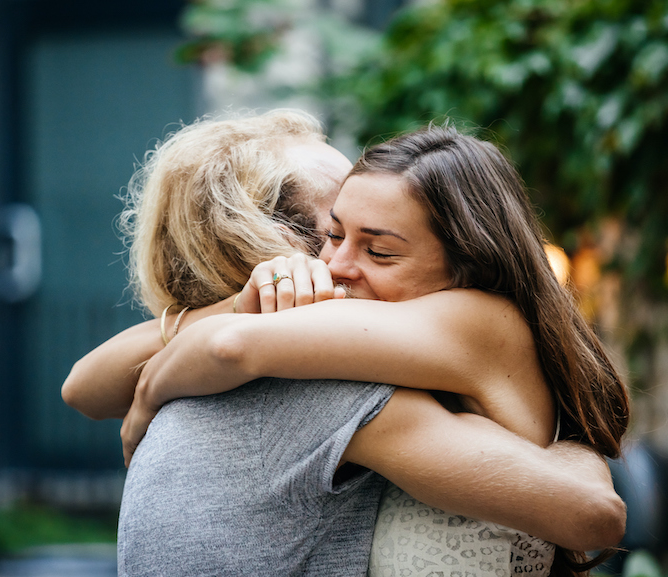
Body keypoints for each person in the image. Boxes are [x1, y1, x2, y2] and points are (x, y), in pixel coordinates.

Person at [63, 112, 626, 576]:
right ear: (275, 243)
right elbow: (86, 386)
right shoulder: (324, 375)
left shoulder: (461, 322)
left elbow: (229, 347)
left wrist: (150, 390)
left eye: (377, 248)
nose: (335, 265)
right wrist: (235, 307)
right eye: (331, 232)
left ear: (467, 259)